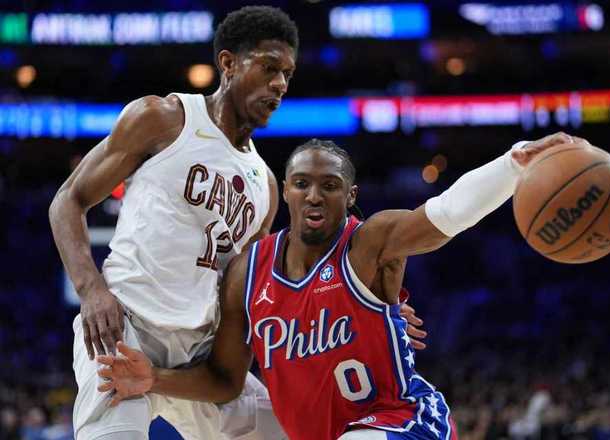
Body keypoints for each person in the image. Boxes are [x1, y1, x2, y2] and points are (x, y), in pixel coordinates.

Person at [95, 133, 579, 439]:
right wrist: (154, 379)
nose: (314, 195)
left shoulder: (370, 244)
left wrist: (514, 165)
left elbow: (446, 214)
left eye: (329, 186)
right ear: (285, 190)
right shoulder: (247, 270)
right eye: (302, 183)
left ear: (350, 196)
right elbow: (224, 379)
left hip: (404, 423)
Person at [48, 5, 297, 440]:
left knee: (290, 428)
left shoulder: (267, 187)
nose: (280, 84)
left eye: (287, 74)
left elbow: (245, 292)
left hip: (198, 354)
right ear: (228, 64)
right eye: (269, 67)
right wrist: (91, 290)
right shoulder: (164, 118)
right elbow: (68, 200)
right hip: (122, 328)